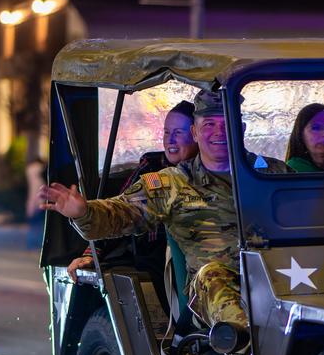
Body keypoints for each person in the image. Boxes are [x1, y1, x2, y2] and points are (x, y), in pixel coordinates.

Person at [40, 90, 289, 335]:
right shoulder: (173, 183)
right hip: (217, 287)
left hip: (282, 275)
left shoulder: (274, 174)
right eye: (209, 124)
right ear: (195, 132)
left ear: (242, 128)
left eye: (228, 123)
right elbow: (124, 212)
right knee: (213, 279)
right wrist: (83, 212)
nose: (219, 132)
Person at [65, 100, 198, 280]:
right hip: (155, 262)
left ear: (196, 135)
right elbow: (122, 211)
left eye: (178, 132)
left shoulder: (218, 172)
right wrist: (90, 253)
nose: (170, 140)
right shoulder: (151, 168)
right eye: (167, 132)